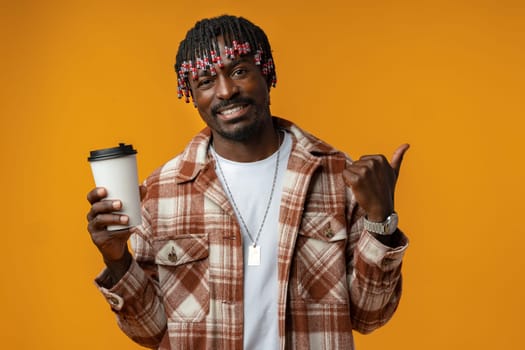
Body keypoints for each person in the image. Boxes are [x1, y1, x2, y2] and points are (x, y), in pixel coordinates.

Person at [86, 14, 410, 350]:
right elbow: (150, 332)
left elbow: (370, 316)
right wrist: (116, 258)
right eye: (206, 81)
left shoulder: (337, 176)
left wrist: (380, 220)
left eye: (239, 70)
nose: (226, 91)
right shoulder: (160, 193)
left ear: (266, 72)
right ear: (192, 95)